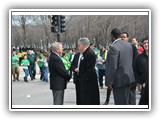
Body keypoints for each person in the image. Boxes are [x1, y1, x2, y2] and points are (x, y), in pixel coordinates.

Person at [105, 28, 135, 105]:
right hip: (129, 78)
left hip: (119, 81)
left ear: (112, 36)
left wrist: (110, 82)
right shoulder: (129, 45)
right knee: (128, 103)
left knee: (121, 105)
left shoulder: (114, 47)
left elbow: (113, 67)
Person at [77, 37, 100, 105]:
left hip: (89, 82)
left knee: (89, 101)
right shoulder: (85, 53)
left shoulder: (89, 54)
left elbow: (88, 70)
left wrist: (82, 78)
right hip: (85, 82)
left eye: (79, 45)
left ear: (83, 45)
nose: (78, 47)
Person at [121, 32, 138, 105]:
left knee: (131, 95)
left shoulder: (132, 47)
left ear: (127, 38)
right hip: (122, 76)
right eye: (121, 37)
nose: (122, 38)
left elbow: (136, 61)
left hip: (131, 75)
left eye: (124, 37)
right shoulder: (118, 48)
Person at [134, 37, 149, 105]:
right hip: (145, 86)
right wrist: (140, 82)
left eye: (147, 43)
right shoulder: (139, 58)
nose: (146, 44)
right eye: (144, 43)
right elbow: (135, 71)